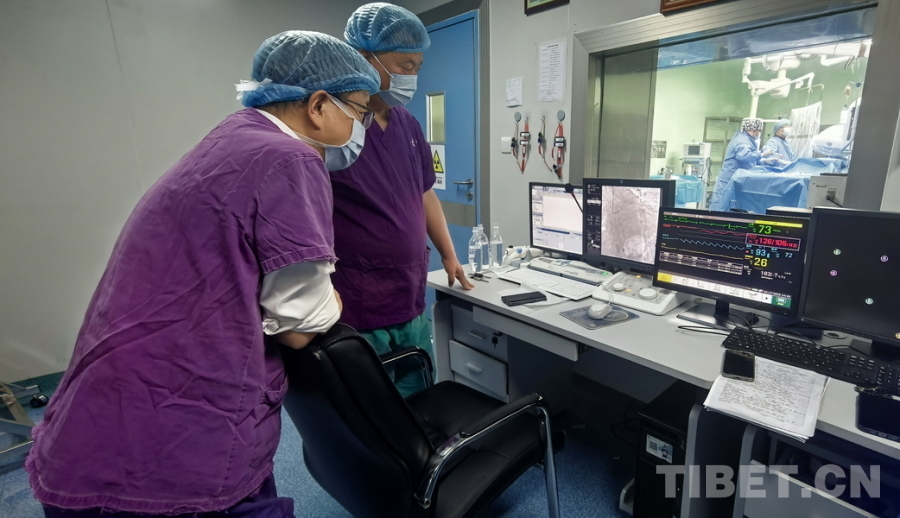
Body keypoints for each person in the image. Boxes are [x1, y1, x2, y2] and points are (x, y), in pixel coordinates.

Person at [27, 31, 380, 518]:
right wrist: (334, 298)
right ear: (319, 105)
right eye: (359, 111)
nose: (361, 127)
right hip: (176, 427)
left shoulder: (233, 137)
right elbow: (300, 326)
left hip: (105, 410)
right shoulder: (290, 158)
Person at [334, 3, 473, 397]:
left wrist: (449, 254)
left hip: (408, 295)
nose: (412, 76)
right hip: (360, 301)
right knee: (373, 412)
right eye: (404, 66)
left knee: (420, 401)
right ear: (365, 58)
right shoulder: (337, 129)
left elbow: (425, 191)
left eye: (417, 67)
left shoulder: (407, 123)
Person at [709, 118, 775, 211]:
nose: (759, 133)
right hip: (729, 178)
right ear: (754, 130)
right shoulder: (742, 140)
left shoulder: (747, 140)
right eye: (759, 131)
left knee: (732, 205)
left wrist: (763, 160)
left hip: (736, 178)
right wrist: (761, 154)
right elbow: (744, 156)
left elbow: (749, 161)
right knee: (722, 204)